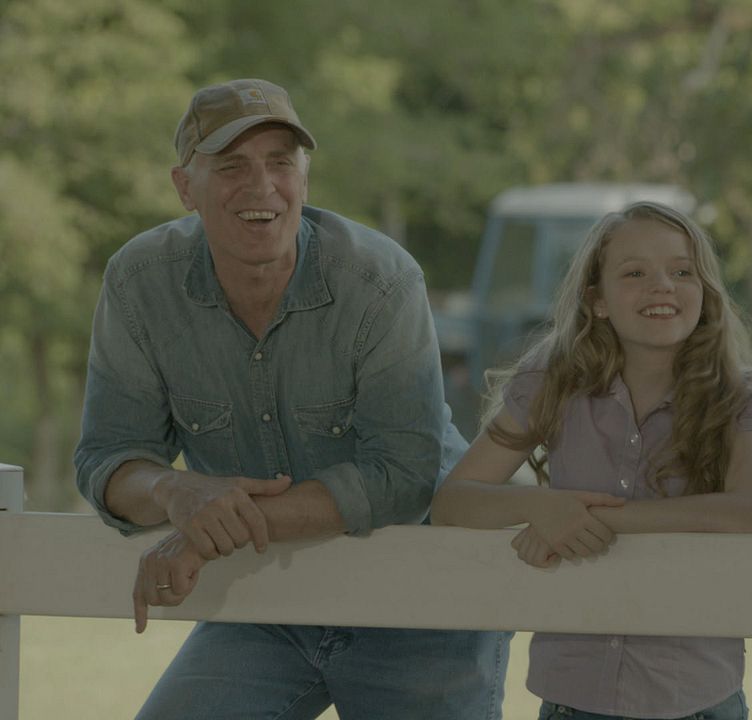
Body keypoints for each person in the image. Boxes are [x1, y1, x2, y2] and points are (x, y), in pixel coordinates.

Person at [73, 78, 509, 719]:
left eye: (282, 162)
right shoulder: (139, 282)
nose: (263, 187)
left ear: (305, 177)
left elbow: (402, 475)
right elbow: (108, 456)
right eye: (231, 167)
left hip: (420, 596)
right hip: (264, 601)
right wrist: (176, 492)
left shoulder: (381, 281)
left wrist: (208, 533)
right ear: (184, 187)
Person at [431, 201, 752, 720]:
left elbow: (749, 513)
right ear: (597, 300)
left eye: (682, 271)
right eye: (635, 272)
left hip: (694, 697)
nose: (662, 285)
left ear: (704, 293)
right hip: (576, 696)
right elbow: (454, 503)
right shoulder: (553, 380)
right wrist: (540, 509)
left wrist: (588, 519)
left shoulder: (740, 394)